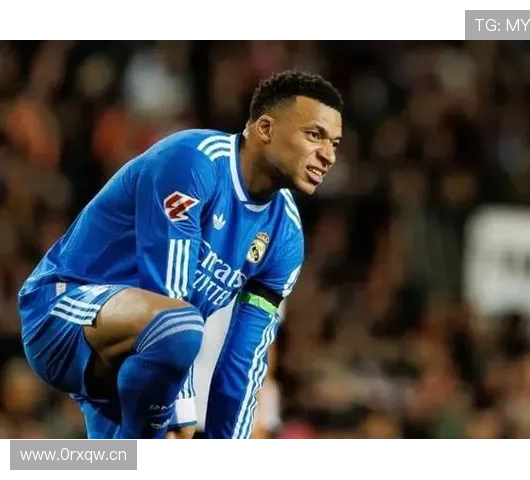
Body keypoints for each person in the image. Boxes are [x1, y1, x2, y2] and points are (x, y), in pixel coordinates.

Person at [17, 70, 344, 440]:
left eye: (335, 143)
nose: (328, 155)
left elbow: (245, 359)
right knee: (181, 328)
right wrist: (182, 407)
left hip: (137, 363)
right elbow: (169, 296)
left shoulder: (285, 235)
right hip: (62, 312)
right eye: (314, 135)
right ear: (266, 128)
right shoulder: (193, 161)